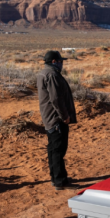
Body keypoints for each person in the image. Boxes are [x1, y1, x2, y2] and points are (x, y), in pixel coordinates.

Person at [37, 50, 78, 190]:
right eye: (61, 61)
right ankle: (59, 181)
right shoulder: (52, 75)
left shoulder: (44, 73)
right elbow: (56, 99)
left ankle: (57, 177)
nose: (62, 64)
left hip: (49, 117)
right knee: (58, 150)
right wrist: (64, 116)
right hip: (56, 119)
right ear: (54, 61)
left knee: (53, 150)